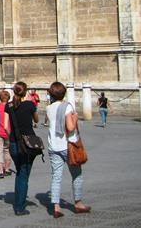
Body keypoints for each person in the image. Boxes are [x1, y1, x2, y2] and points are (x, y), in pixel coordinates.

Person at [46, 81, 91, 218]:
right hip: (68, 146)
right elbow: (70, 128)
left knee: (56, 177)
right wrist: (75, 118)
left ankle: (56, 206)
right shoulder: (67, 107)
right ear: (64, 93)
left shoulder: (49, 108)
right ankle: (78, 203)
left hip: (53, 146)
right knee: (76, 175)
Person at [7, 81, 39, 216]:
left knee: (20, 171)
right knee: (24, 174)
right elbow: (36, 120)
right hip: (27, 144)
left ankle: (18, 200)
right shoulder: (30, 105)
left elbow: (7, 124)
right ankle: (19, 206)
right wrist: (32, 103)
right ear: (25, 92)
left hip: (14, 143)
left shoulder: (8, 107)